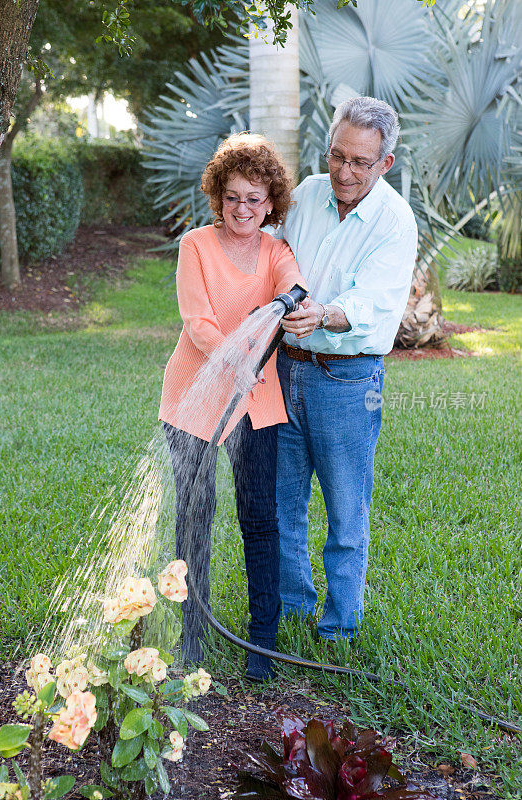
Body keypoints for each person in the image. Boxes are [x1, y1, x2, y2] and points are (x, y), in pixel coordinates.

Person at [158, 133, 306, 681]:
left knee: (259, 520)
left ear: (271, 203)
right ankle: (190, 634)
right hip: (194, 396)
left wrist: (291, 298)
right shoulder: (194, 245)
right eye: (233, 196)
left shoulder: (276, 252)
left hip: (256, 401)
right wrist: (234, 361)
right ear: (218, 195)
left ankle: (260, 643)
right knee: (194, 516)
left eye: (255, 198)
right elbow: (198, 322)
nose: (244, 208)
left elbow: (294, 288)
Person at [276, 96, 418, 643]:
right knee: (284, 502)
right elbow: (271, 250)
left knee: (345, 510)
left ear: (385, 164)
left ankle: (338, 628)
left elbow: (373, 304)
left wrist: (325, 313)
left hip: (348, 380)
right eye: (337, 156)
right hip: (286, 372)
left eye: (360, 162)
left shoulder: (394, 221)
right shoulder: (309, 193)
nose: (344, 172)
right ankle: (290, 611)